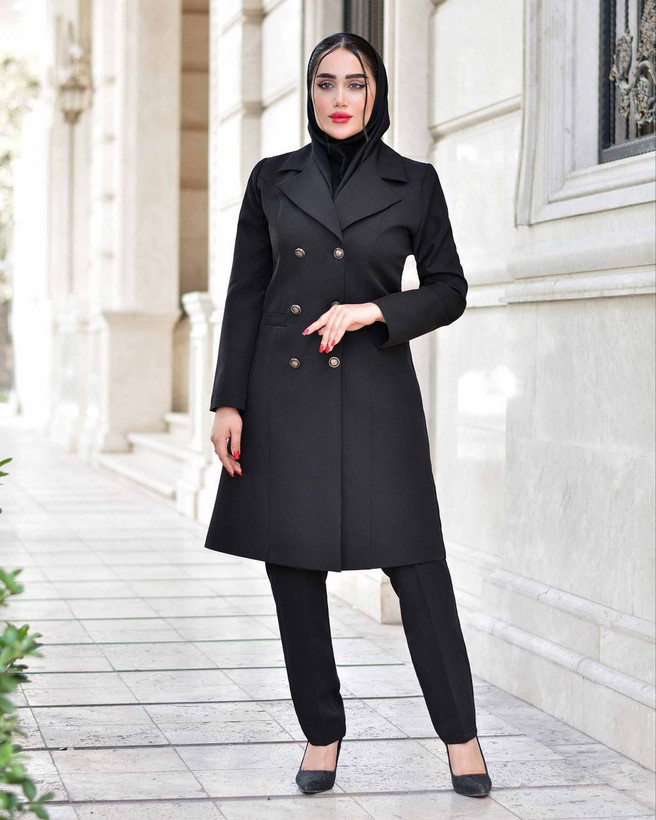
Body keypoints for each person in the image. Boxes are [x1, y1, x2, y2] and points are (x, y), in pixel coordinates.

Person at [205, 32, 492, 798]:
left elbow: (449, 288)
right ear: (310, 93)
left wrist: (374, 310)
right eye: (326, 82)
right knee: (293, 567)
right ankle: (322, 733)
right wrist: (228, 400)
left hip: (376, 395)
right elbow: (245, 294)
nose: (339, 97)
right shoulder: (272, 179)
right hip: (285, 395)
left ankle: (461, 737)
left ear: (376, 94)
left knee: (418, 565)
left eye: (355, 83)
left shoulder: (415, 182)